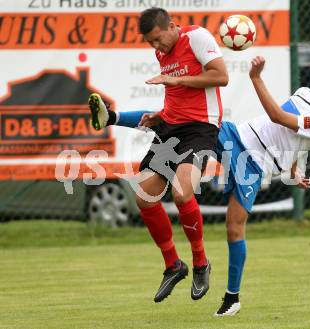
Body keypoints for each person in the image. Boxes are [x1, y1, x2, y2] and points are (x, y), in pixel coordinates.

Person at [89, 56, 310, 315]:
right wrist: (295, 169)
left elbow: (278, 118)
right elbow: (294, 139)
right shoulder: (304, 94)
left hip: (254, 165)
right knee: (183, 120)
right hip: (237, 135)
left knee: (234, 229)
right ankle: (111, 117)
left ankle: (232, 298)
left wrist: (255, 78)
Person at [88, 7, 228, 303]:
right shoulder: (162, 53)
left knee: (181, 191)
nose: (155, 46)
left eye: (157, 39)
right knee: (144, 198)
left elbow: (221, 76)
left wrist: (179, 80)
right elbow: (175, 99)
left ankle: (201, 263)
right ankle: (173, 265)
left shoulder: (197, 37)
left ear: (171, 26)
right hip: (171, 129)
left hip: (201, 128)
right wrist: (160, 115)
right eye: (150, 42)